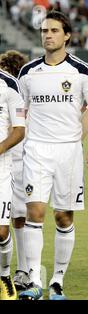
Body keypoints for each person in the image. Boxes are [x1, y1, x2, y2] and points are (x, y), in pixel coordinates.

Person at [17, 10, 88, 300]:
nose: (48, 36)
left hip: (69, 151)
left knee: (64, 216)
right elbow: (20, 113)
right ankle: (32, 280)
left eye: (54, 31)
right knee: (35, 211)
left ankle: (56, 280)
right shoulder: (28, 72)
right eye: (44, 31)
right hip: (36, 150)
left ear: (66, 35)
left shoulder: (80, 70)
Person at [0, 50, 30, 291]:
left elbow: (21, 127)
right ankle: (22, 269)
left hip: (17, 159)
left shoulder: (15, 89)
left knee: (18, 217)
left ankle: (22, 269)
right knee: (18, 218)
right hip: (19, 158)